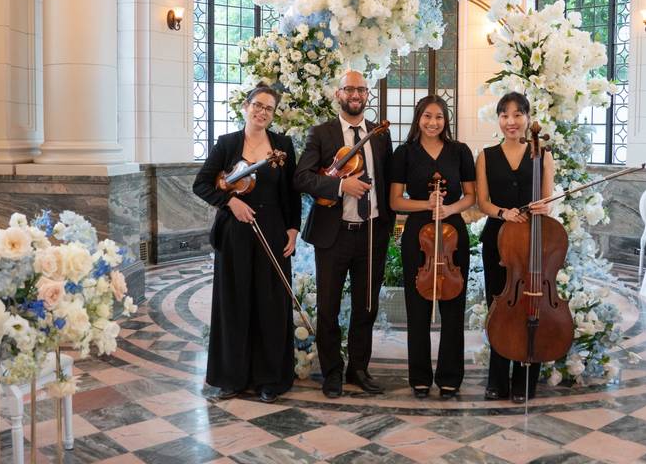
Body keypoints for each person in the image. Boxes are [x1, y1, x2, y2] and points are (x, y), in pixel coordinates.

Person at [192, 85, 300, 403]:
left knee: (271, 305)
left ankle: (270, 380)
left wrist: (293, 229)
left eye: (268, 108)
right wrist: (230, 202)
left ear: (273, 113)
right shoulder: (227, 144)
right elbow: (201, 183)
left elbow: (291, 193)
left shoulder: (282, 145)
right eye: (258, 105)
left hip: (273, 230)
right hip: (236, 230)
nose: (262, 112)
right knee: (234, 303)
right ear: (246, 106)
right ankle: (232, 378)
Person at [294, 70, 394, 398]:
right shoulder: (321, 133)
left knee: (367, 306)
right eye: (350, 89)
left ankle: (359, 369)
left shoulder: (379, 135)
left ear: (367, 95)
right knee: (329, 307)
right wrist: (340, 185)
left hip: (371, 233)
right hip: (334, 235)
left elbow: (389, 178)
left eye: (361, 89)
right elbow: (302, 178)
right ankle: (333, 372)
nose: (356, 94)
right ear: (339, 94)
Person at [390, 95, 476, 399]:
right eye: (427, 116)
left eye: (439, 117)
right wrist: (425, 204)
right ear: (418, 118)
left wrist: (449, 209)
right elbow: (395, 201)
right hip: (418, 233)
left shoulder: (460, 152)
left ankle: (451, 375)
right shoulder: (404, 153)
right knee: (418, 306)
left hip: (453, 232)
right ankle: (420, 377)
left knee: (453, 305)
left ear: (446, 120)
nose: (432, 122)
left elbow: (470, 196)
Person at [475, 91, 555, 403]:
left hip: (533, 239)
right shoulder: (486, 155)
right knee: (500, 308)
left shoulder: (542, 155)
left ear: (527, 118)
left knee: (530, 308)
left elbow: (547, 198)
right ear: (498, 119)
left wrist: (543, 207)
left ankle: (526, 379)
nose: (511, 121)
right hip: (498, 239)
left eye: (518, 114)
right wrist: (502, 212)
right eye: (505, 115)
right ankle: (497, 378)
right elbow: (482, 202)